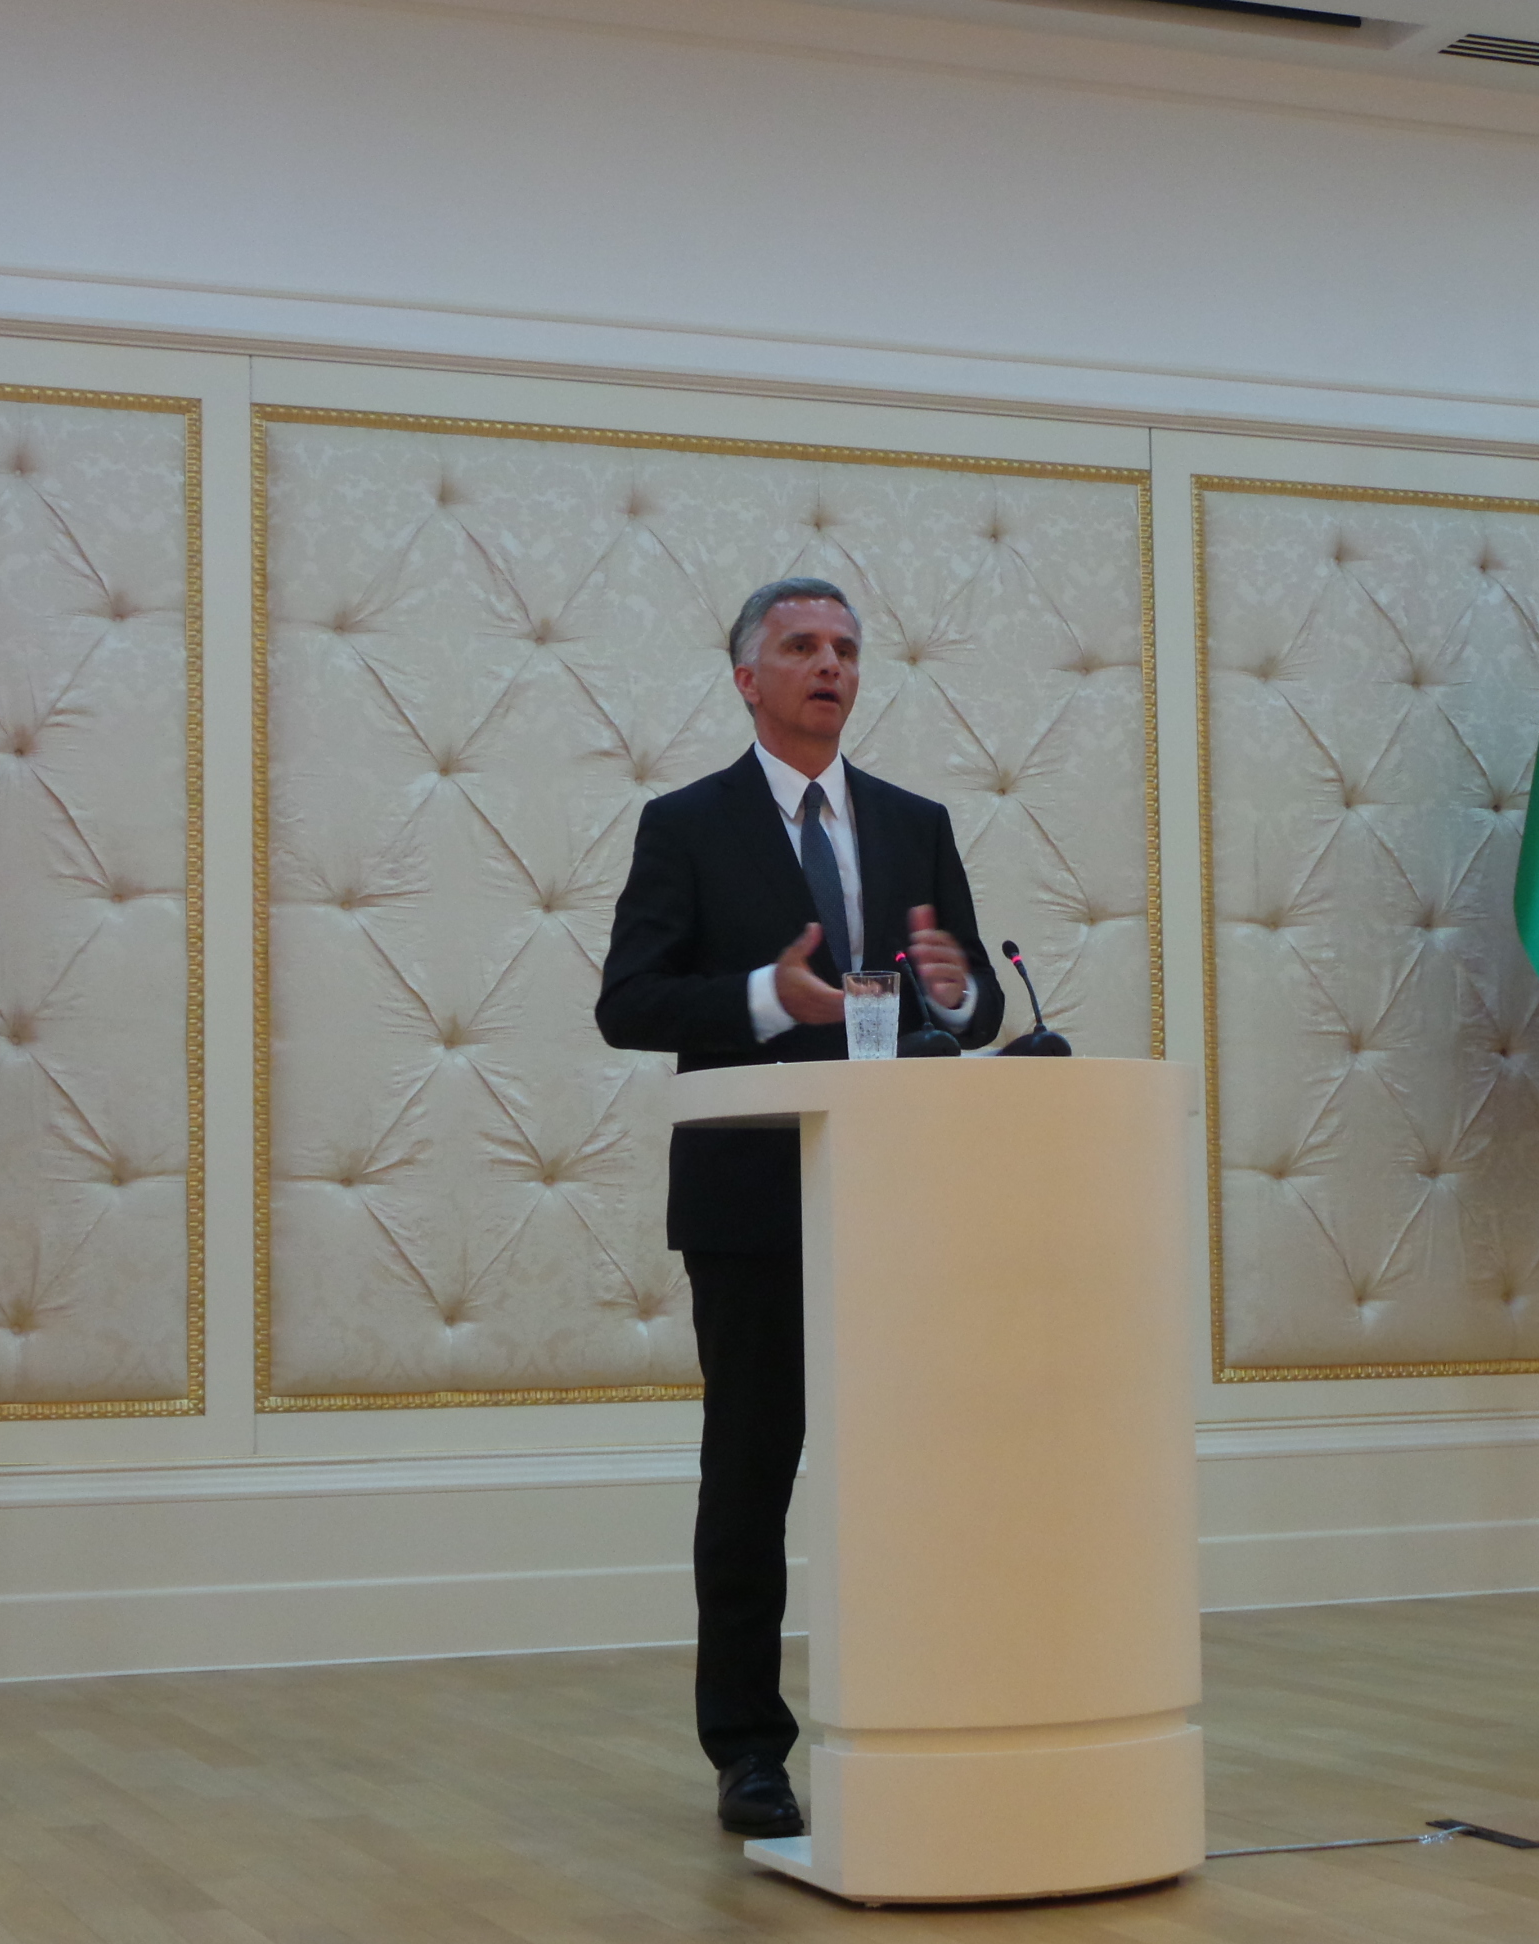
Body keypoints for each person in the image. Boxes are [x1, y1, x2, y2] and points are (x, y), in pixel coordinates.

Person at [595, 577, 1003, 1836]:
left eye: (844, 648)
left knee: (914, 1472)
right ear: (748, 678)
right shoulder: (687, 824)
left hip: (900, 1197)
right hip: (757, 1197)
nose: (829, 664)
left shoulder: (916, 823)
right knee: (755, 1471)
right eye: (800, 647)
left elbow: (972, 1002)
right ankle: (749, 1751)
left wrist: (957, 993)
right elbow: (631, 1004)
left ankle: (923, 1709)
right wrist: (771, 1001)